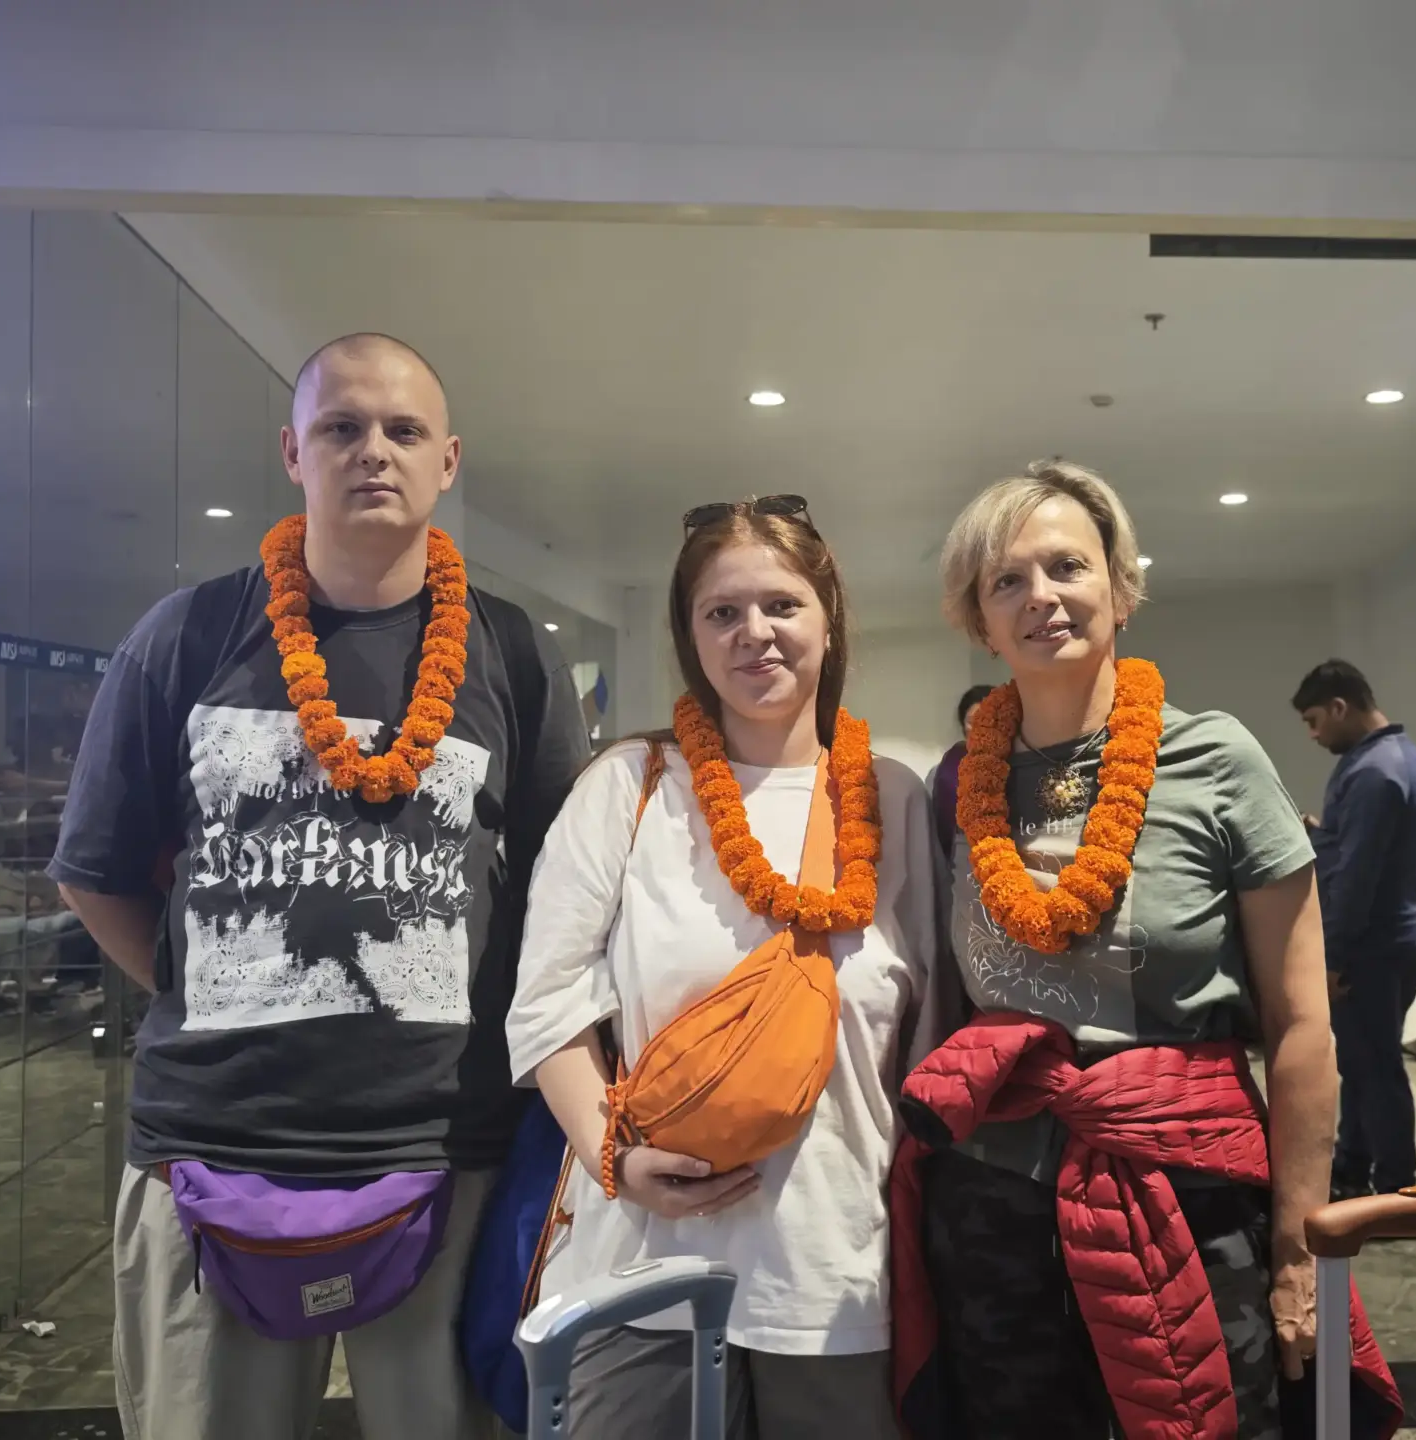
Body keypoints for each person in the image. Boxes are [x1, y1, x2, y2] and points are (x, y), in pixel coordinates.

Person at [50, 333, 588, 1440]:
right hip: (213, 1148)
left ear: (449, 460)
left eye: (402, 430)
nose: (371, 451)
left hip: (446, 1151)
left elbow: (559, 897)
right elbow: (98, 874)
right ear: (293, 452)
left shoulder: (510, 655)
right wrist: (216, 981)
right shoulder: (187, 636)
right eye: (341, 427)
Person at [893, 461, 1400, 1440]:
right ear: (978, 619)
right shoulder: (960, 782)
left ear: (1119, 589)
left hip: (1190, 1190)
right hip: (989, 1205)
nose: (1040, 597)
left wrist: (1298, 1250)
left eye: (1065, 567)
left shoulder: (1215, 758)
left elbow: (1301, 1029)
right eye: (1007, 580)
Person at [506, 495, 944, 1439]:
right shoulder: (627, 787)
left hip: (833, 1271)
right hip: (642, 1260)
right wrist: (613, 1157)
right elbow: (544, 1006)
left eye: (783, 606)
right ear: (690, 635)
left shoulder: (892, 798)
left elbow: (930, 1032)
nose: (757, 635)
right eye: (722, 613)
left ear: (829, 618)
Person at [1292, 660, 1416, 1202]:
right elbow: (1361, 851)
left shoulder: (1374, 771)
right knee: (1362, 1066)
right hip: (1388, 942)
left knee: (1376, 1072)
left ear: (1339, 708)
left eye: (1313, 720)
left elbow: (1358, 875)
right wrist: (1322, 835)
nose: (1313, 734)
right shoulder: (1396, 758)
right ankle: (1352, 1171)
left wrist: (1331, 959)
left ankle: (1399, 1193)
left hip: (1371, 948)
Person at [926, 683, 997, 854]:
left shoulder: (1019, 772)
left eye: (989, 722)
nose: (980, 730)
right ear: (963, 724)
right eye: (972, 722)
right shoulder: (942, 774)